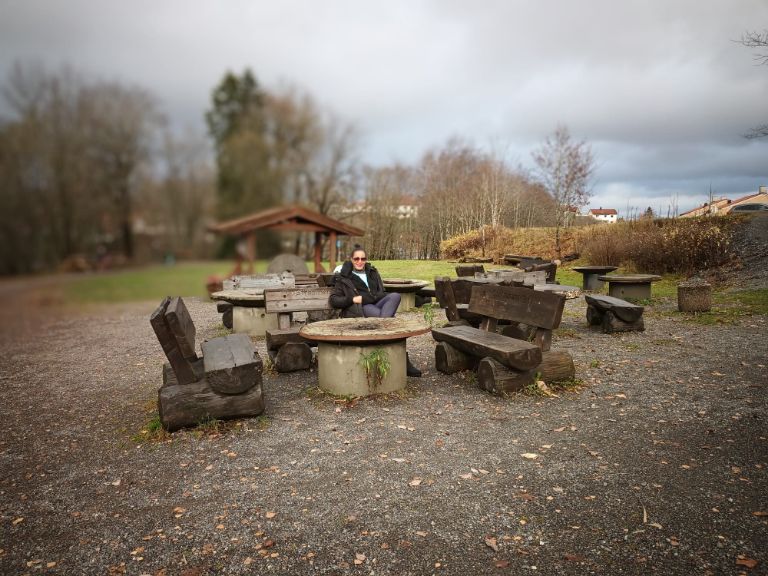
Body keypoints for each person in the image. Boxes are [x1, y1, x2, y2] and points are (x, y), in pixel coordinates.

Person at [330, 245, 422, 376]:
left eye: (363, 258)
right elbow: (333, 301)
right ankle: (403, 359)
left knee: (395, 296)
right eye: (356, 259)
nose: (360, 261)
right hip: (360, 308)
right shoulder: (344, 277)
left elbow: (381, 293)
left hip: (377, 304)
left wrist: (371, 297)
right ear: (351, 259)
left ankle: (386, 339)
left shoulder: (372, 272)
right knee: (390, 321)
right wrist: (352, 299)